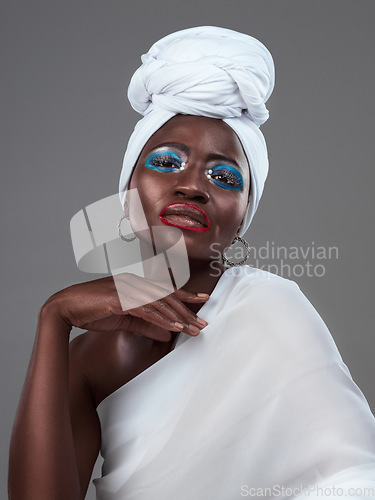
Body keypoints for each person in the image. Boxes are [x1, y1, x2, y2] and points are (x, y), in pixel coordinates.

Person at [8, 26, 375, 500]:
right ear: (127, 195)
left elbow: (350, 479)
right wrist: (52, 319)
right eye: (165, 163)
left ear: (243, 216)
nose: (193, 185)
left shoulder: (268, 307)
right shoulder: (84, 362)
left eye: (223, 176)